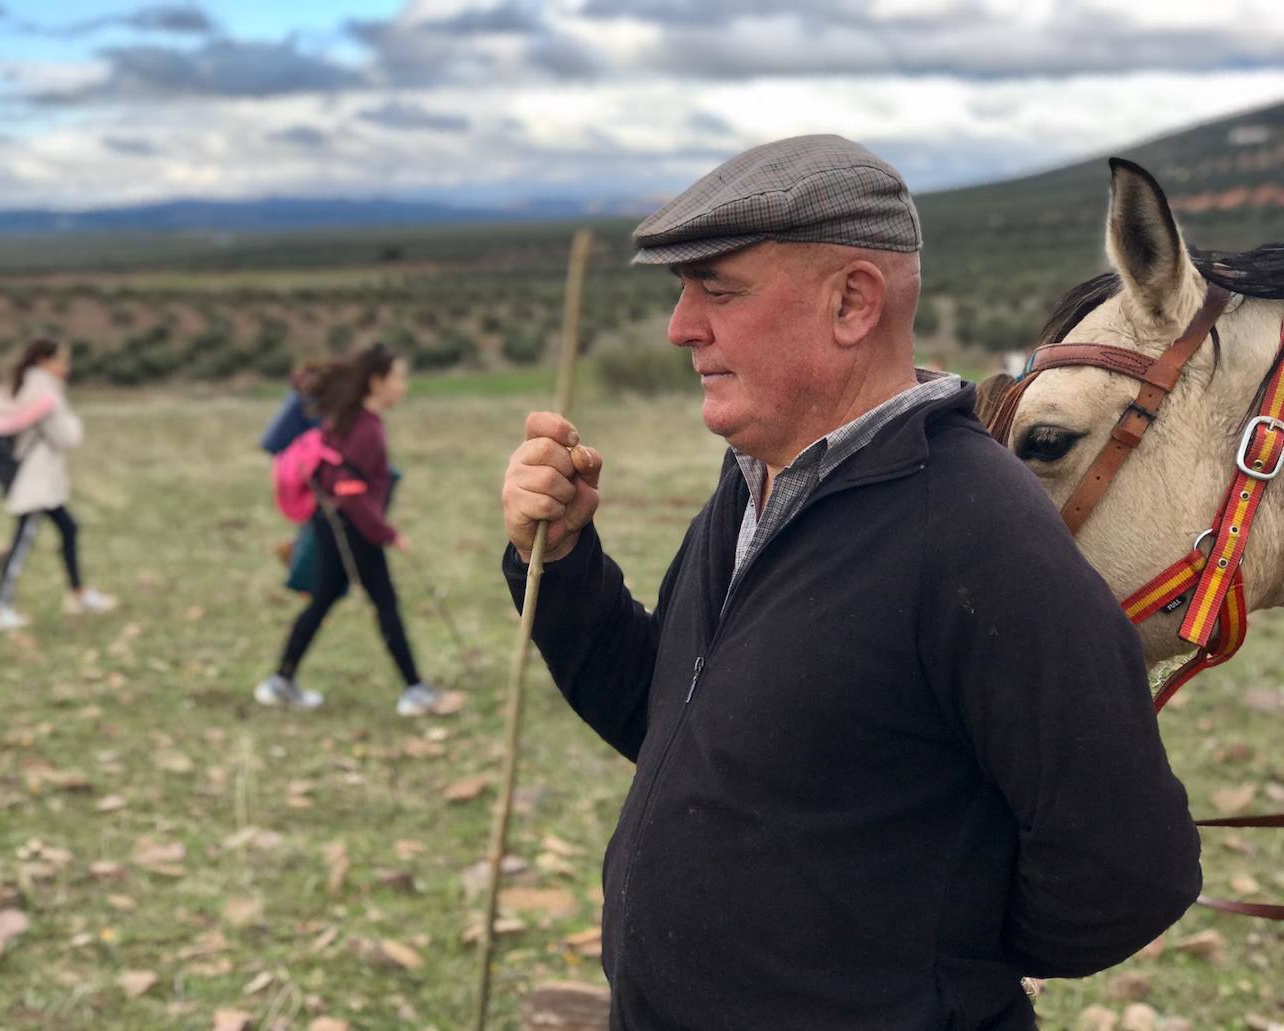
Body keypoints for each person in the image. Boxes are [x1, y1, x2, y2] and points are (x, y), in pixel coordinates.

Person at [499, 136, 1201, 1029]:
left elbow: (1133, 866)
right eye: (682, 293)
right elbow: (663, 711)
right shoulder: (755, 483)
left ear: (852, 302)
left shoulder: (980, 534)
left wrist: (928, 969)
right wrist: (559, 565)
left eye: (718, 290)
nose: (681, 326)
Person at [256, 343, 442, 716]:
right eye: (398, 379)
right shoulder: (365, 429)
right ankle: (415, 690)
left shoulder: (352, 419)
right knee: (385, 603)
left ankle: (281, 681)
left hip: (334, 524)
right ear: (376, 382)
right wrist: (386, 534)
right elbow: (352, 493)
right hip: (351, 528)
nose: (403, 387)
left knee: (324, 599)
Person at [0, 339, 116, 633]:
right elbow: (67, 437)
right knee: (22, 544)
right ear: (44, 360)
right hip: (36, 481)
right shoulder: (45, 394)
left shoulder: (14, 387)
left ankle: (78, 594)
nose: (66, 367)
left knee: (69, 528)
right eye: (62, 360)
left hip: (37, 480)